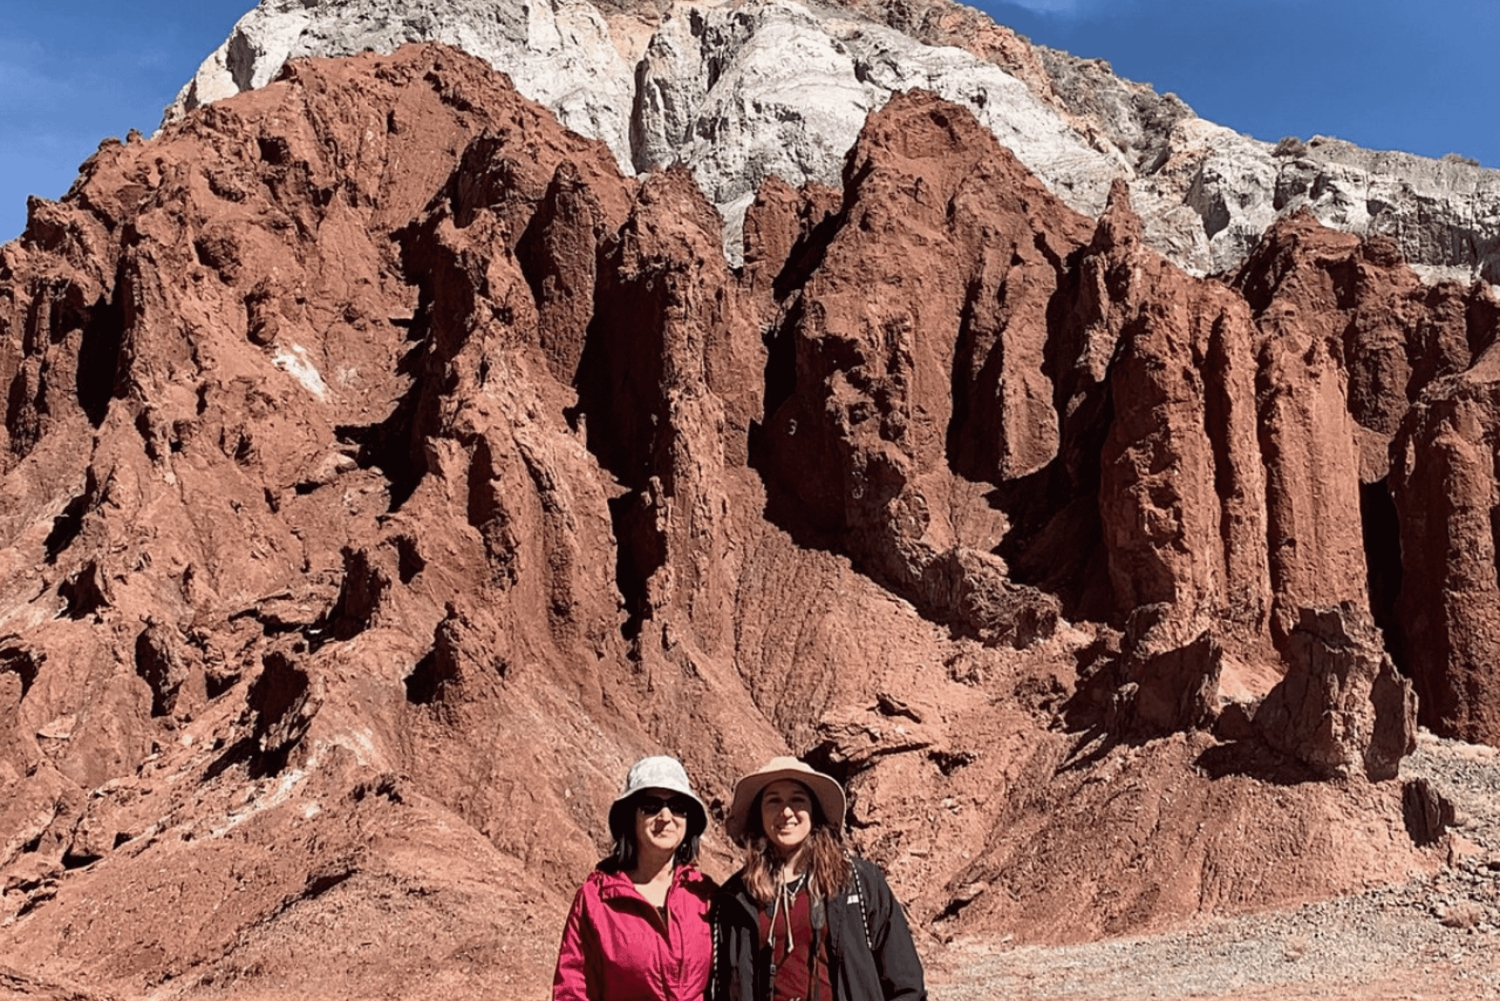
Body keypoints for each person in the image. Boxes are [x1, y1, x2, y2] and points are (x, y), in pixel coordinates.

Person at [710, 757, 926, 1001]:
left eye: (797, 799)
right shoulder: (736, 897)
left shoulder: (859, 882)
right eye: (773, 801)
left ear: (814, 811)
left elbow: (906, 984)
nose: (786, 811)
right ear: (759, 815)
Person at [554, 755, 716, 1001]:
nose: (665, 817)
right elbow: (574, 989)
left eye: (677, 807)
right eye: (651, 806)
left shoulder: (705, 895)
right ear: (631, 817)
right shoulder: (597, 900)